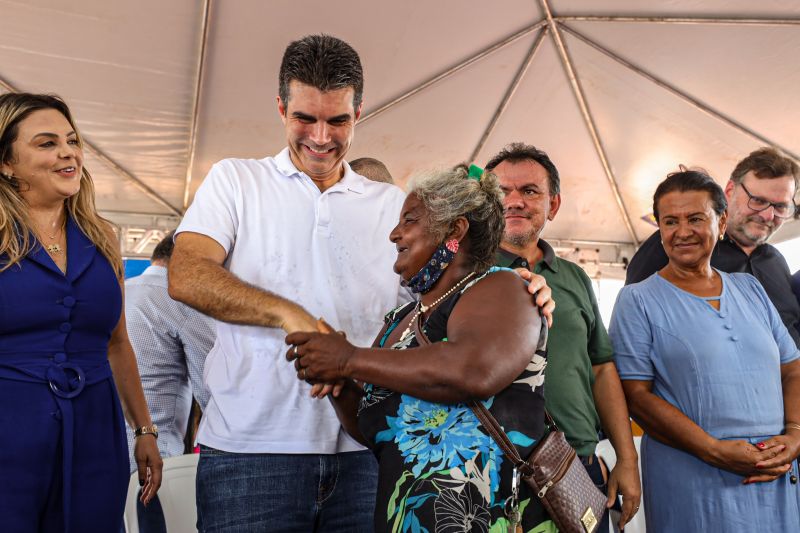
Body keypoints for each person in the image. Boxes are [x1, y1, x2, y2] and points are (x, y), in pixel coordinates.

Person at [167, 34, 408, 531]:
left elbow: (435, 303)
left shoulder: (391, 204)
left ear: (358, 113)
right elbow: (186, 273)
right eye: (305, 118)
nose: (321, 137)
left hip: (367, 450)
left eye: (337, 120)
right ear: (280, 108)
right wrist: (290, 314)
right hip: (249, 456)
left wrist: (512, 288)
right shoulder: (235, 180)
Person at [287, 166, 555, 532]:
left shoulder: (504, 288)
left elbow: (473, 370)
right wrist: (338, 382)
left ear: (454, 229)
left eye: (409, 220)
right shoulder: (399, 321)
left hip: (487, 519)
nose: (394, 234)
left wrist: (348, 358)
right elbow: (373, 430)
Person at [0, 92, 162, 531]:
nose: (68, 152)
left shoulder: (103, 237)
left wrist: (144, 430)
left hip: (96, 427)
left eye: (72, 140)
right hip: (9, 428)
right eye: (46, 143)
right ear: (7, 163)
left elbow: (118, 343)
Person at [610, 169, 800, 532]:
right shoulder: (638, 300)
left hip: (775, 472)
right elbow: (636, 396)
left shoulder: (750, 289)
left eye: (696, 218)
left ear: (722, 221)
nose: (683, 232)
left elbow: (792, 367)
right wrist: (713, 449)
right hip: (694, 476)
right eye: (670, 221)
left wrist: (795, 435)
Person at [483, 142, 641, 531]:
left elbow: (602, 368)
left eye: (529, 191)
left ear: (553, 205)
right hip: (489, 470)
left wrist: (626, 459)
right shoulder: (466, 274)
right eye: (502, 192)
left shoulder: (575, 278)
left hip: (578, 464)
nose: (514, 201)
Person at [625, 147, 800, 346]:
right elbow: (634, 324)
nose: (768, 215)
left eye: (780, 207)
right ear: (729, 192)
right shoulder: (681, 243)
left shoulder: (776, 260)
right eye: (758, 201)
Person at [125, 231, 215, 532]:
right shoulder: (182, 299)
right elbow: (214, 391)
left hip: (106, 453)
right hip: (154, 462)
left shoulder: (123, 291)